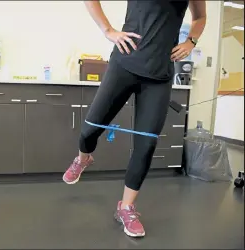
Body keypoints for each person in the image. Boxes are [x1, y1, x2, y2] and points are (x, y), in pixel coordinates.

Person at [63, 0, 206, 238]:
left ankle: (126, 207)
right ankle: (83, 158)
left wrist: (190, 41)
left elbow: (200, 17)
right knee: (90, 129)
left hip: (159, 75)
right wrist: (108, 30)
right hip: (125, 63)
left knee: (146, 145)